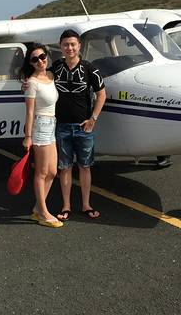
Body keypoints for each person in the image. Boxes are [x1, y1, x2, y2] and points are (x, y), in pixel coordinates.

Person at [52, 30, 106, 221]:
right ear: (60, 47)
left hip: (84, 128)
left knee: (85, 166)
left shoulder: (89, 68)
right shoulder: (56, 67)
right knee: (64, 167)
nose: (70, 48)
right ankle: (66, 206)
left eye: (73, 44)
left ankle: (86, 204)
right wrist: (26, 83)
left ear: (79, 46)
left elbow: (102, 94)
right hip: (62, 126)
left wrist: (93, 119)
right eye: (66, 44)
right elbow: (39, 80)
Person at [19, 43, 63, 228]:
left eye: (42, 57)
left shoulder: (51, 75)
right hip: (40, 126)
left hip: (51, 125)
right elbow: (29, 112)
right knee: (42, 172)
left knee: (52, 171)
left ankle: (38, 208)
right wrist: (28, 136)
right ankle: (43, 213)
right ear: (30, 63)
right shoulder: (32, 83)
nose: (40, 61)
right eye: (35, 59)